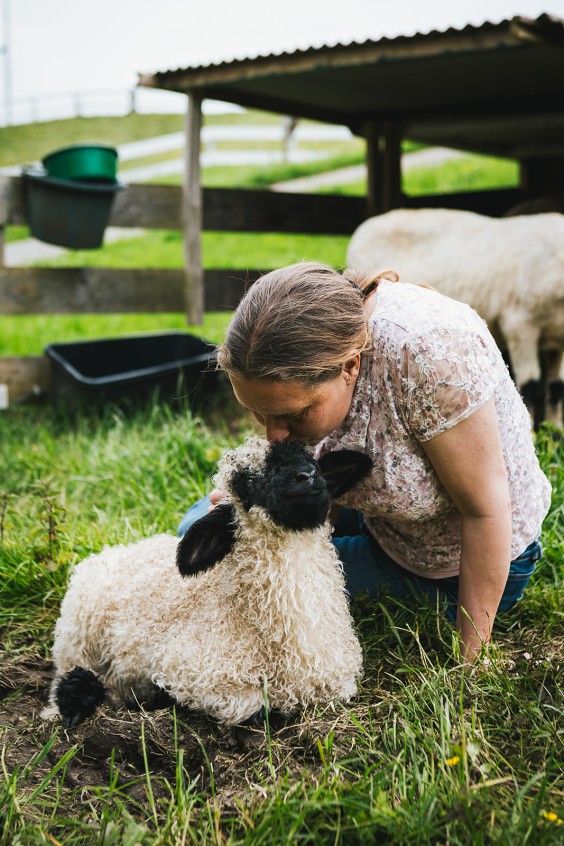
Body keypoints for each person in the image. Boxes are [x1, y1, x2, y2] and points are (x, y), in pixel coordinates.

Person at [178, 262, 551, 663]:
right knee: (199, 529)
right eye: (259, 413)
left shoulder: (430, 358)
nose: (273, 436)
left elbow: (486, 511)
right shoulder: (325, 324)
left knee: (255, 585)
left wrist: (469, 663)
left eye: (294, 415)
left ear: (350, 367)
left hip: (448, 562)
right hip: (380, 514)